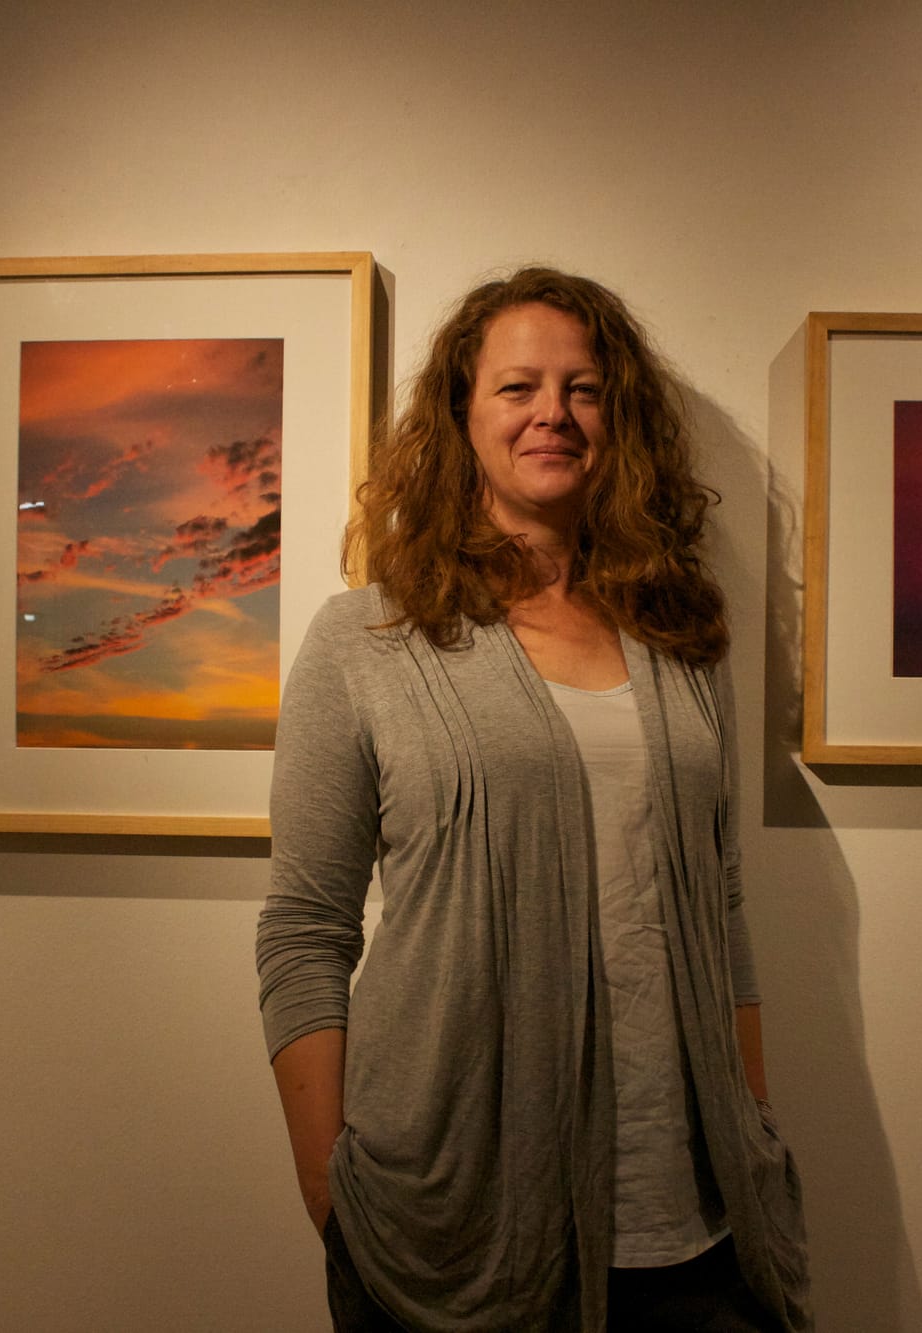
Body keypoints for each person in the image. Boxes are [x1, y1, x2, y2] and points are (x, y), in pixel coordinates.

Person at [255, 266, 809, 1332]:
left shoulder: (682, 636)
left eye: (582, 388)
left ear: (619, 421)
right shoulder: (366, 640)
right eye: (517, 387)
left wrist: (751, 1122)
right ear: (461, 416)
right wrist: (328, 1186)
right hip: (452, 1226)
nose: (552, 412)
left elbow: (721, 901)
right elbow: (302, 928)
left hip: (694, 1220)